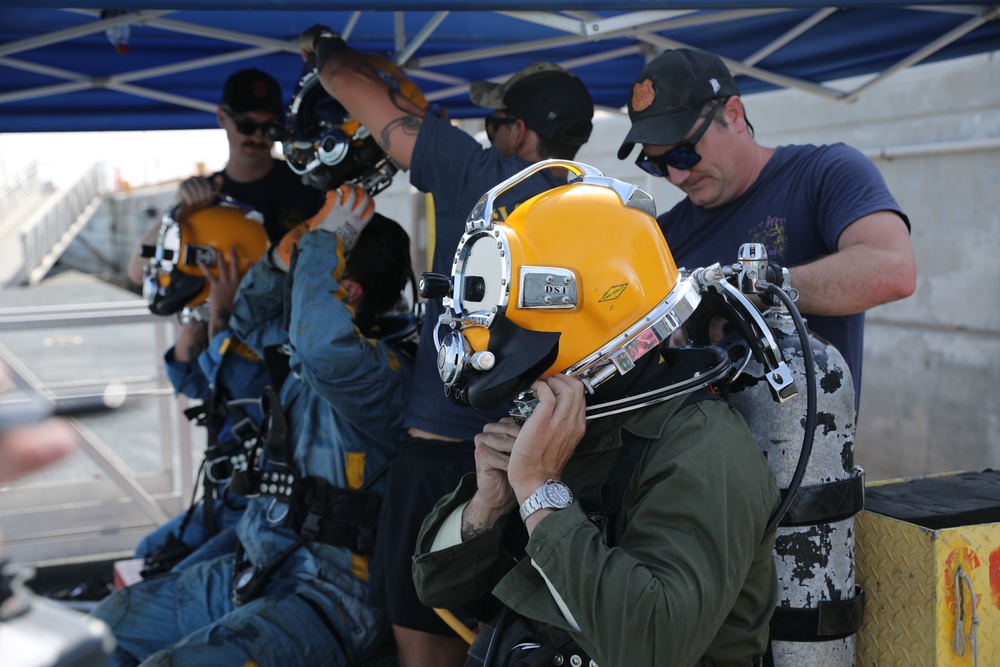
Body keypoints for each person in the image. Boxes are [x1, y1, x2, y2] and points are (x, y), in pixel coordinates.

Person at [300, 26, 595, 667]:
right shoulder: (597, 204)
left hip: (442, 464)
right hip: (551, 468)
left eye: (496, 123)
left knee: (426, 648)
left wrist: (325, 49)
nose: (489, 133)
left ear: (519, 132)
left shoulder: (477, 172)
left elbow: (349, 89)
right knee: (521, 646)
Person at [411, 168, 780, 667]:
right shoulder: (570, 417)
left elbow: (651, 646)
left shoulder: (705, 449)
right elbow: (436, 583)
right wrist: (489, 504)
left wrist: (540, 491)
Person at [91, 185, 415, 666]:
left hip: (331, 598)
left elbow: (323, 347)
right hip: (264, 561)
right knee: (107, 627)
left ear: (346, 293)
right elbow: (247, 318)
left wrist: (323, 243)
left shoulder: (385, 373)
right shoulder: (314, 342)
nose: (299, 289)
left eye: (313, 275)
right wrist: (288, 256)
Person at [617, 48, 916, 405]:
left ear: (734, 114)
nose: (677, 175)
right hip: (693, 452)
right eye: (658, 164)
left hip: (802, 447)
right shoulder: (660, 237)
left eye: (684, 153)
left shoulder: (824, 173)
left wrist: (746, 293)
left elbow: (893, 270)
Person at [135, 201, 273, 574]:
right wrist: (198, 309)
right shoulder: (225, 326)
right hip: (229, 493)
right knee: (146, 550)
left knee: (170, 579)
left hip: (263, 506)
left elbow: (236, 377)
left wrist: (218, 313)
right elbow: (191, 380)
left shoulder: (269, 332)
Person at [126, 67, 324, 284]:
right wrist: (178, 212)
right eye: (246, 125)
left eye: (269, 128)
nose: (257, 136)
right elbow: (138, 271)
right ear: (222, 117)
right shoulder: (205, 197)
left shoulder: (309, 182)